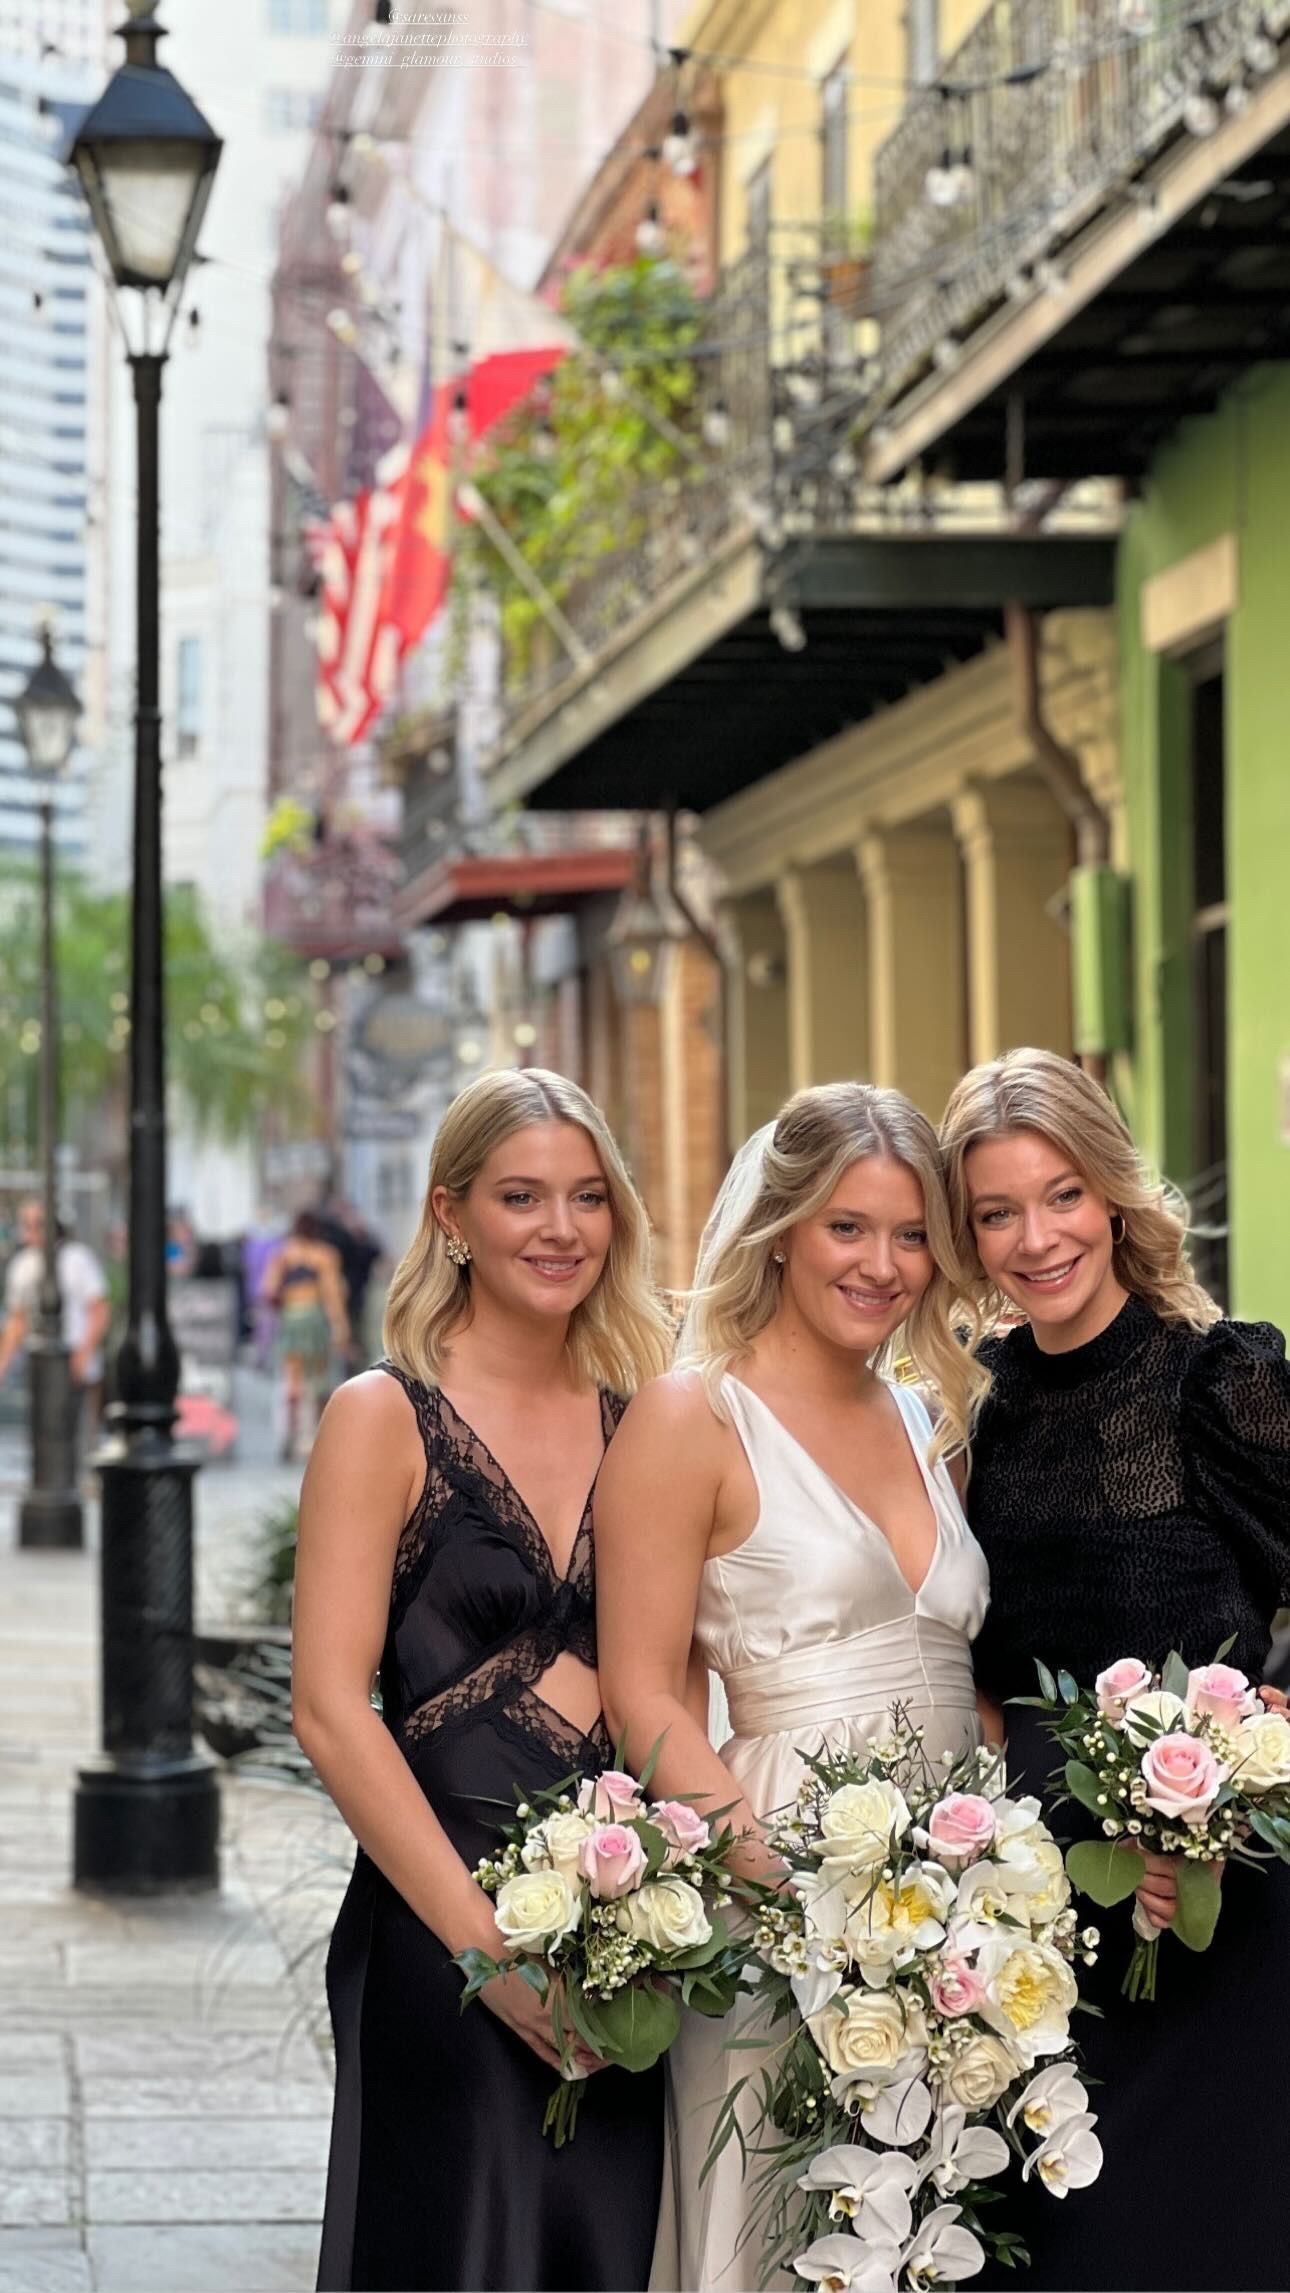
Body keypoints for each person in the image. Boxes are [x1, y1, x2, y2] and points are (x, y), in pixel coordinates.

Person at [595, 1082, 992, 2293]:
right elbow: (643, 1691)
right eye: (849, 1227)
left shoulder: (935, 1420)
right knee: (779, 2231)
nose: (885, 1264)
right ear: (781, 1227)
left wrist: (986, 1875)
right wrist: (793, 1898)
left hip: (962, 1917)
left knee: (939, 2229)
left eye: (913, 1233)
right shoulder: (692, 1416)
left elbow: (959, 1674)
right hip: (776, 1892)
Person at [294, 1068, 674, 2293]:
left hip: (628, 1937)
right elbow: (329, 1710)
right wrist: (486, 1956)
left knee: (605, 2252)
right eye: (521, 1196)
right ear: (450, 1212)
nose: (560, 1229)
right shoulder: (380, 1415)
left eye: (586, 1197)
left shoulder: (646, 1419)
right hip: (437, 1928)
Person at [941, 1046, 1290, 2293]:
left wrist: (1226, 1800)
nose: (1037, 1238)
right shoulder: (974, 1413)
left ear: (1114, 1195)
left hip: (1218, 1896)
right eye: (997, 1211)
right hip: (1039, 1919)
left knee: (1207, 2234)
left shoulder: (1223, 1376)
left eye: (1062, 1194)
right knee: (1059, 2245)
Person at [0, 1199, 111, 1445]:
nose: (30, 1230)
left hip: (78, 1364)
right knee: (46, 1438)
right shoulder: (22, 1266)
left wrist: (84, 1352)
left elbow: (100, 1309)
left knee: (82, 1438)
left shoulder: (78, 1259)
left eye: (37, 1224)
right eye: (26, 1224)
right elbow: (17, 1320)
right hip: (41, 1364)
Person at [261, 1212, 349, 1461]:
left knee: (293, 1382)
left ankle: (290, 1437)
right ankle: (318, 1438)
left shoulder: (282, 1255)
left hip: (290, 1319)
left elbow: (268, 1290)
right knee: (320, 1380)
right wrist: (341, 1328)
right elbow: (332, 1295)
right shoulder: (325, 1255)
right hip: (315, 1320)